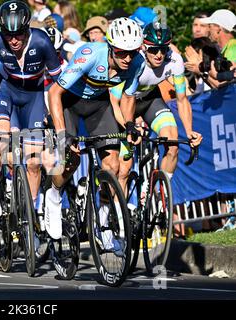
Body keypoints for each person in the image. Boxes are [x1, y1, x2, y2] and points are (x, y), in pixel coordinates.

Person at [46, 18, 145, 250]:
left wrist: (129, 124)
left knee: (112, 165)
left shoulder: (137, 62)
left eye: (132, 52)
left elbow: (129, 97)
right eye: (122, 53)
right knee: (71, 160)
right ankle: (54, 193)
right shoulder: (89, 54)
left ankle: (102, 221)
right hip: (70, 101)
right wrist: (62, 133)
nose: (128, 58)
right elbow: (54, 93)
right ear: (111, 47)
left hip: (99, 106)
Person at [0, 0, 61, 219]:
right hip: (7, 93)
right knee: (1, 139)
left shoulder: (42, 41)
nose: (14, 40)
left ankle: (31, 212)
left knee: (33, 162)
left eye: (19, 35)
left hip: (33, 97)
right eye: (8, 35)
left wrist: (55, 117)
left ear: (27, 30)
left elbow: (58, 86)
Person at [110, 22, 203, 195]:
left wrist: (189, 131)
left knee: (173, 145)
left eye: (163, 49)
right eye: (153, 50)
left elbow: (182, 100)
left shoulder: (174, 60)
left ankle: (159, 195)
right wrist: (129, 126)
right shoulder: (133, 62)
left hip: (149, 101)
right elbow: (117, 100)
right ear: (144, 47)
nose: (159, 55)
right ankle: (120, 217)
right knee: (124, 168)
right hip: (123, 105)